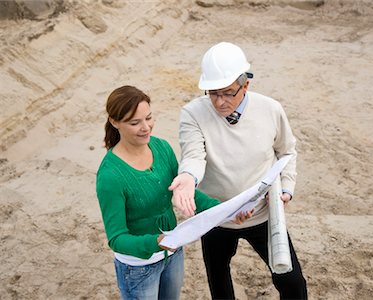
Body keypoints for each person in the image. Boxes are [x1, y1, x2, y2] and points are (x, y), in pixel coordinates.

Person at [170, 42, 308, 299]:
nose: (220, 102)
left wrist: (286, 189)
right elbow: (193, 155)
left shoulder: (271, 109)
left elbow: (287, 151)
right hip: (217, 215)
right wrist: (188, 177)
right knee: (219, 282)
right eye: (212, 93)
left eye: (228, 93)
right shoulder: (192, 113)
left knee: (293, 284)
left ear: (246, 84)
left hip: (263, 214)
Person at [96, 85, 252, 300]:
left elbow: (188, 192)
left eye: (149, 118)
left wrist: (226, 211)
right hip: (138, 268)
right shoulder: (110, 176)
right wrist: (157, 242)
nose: (146, 128)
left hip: (173, 252)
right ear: (115, 122)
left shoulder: (161, 148)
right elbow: (117, 239)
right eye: (135, 123)